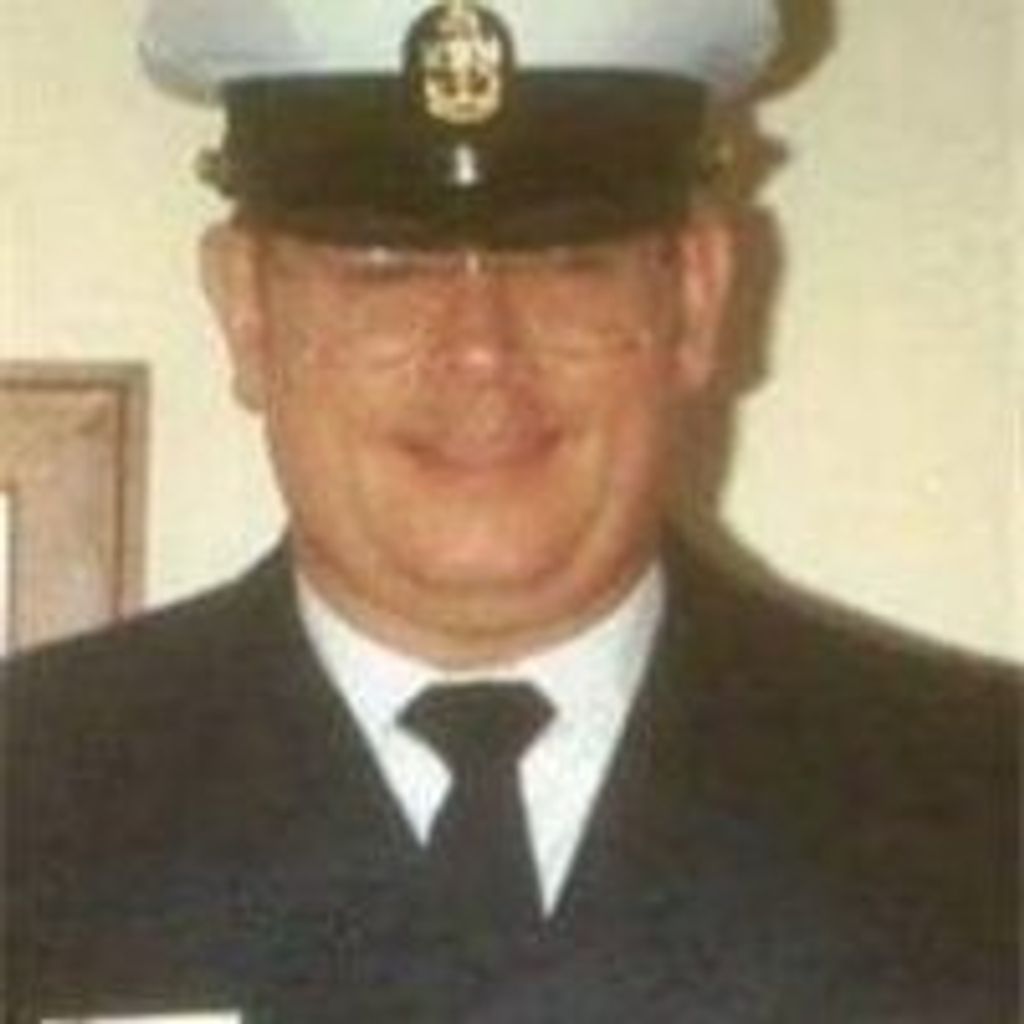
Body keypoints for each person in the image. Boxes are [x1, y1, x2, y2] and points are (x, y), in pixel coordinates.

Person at [4, 0, 1019, 1021]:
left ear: (695, 300)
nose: (481, 349)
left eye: (565, 261)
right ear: (248, 313)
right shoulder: (31, 791)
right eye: (385, 269)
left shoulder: (980, 810)